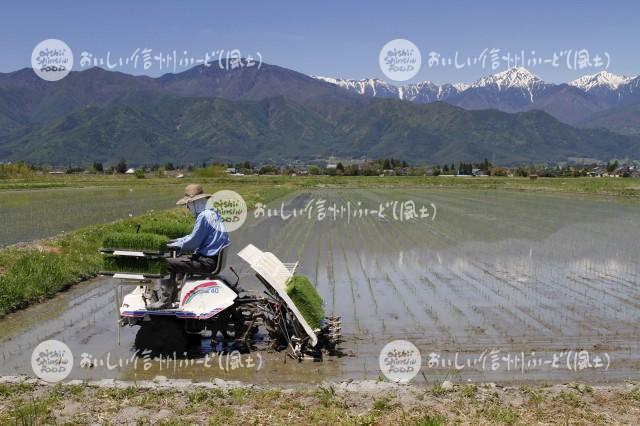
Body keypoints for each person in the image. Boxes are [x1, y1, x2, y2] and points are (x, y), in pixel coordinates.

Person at [147, 184, 230, 310]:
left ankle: (165, 301)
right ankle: (176, 296)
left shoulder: (204, 216)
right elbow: (194, 236)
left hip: (206, 262)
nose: (188, 208)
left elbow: (193, 242)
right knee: (180, 260)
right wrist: (177, 241)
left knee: (165, 263)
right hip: (211, 259)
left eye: (188, 205)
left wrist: (174, 245)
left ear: (195, 203)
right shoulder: (213, 213)